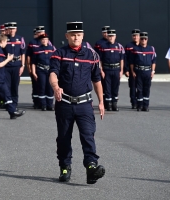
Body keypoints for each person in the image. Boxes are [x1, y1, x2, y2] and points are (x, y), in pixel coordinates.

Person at [49, 21, 105, 184]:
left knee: (88, 135)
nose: (76, 37)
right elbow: (53, 73)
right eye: (72, 35)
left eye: (79, 35)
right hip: (64, 103)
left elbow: (97, 80)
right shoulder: (59, 53)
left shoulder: (92, 55)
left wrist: (101, 101)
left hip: (85, 105)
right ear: (67, 36)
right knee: (64, 138)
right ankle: (65, 167)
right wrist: (55, 86)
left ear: (83, 36)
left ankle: (91, 167)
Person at [98, 29, 124, 111]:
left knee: (115, 87)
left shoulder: (119, 46)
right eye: (109, 36)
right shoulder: (103, 46)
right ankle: (108, 104)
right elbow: (100, 60)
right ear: (107, 37)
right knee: (107, 87)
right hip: (107, 69)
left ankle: (114, 104)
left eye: (112, 36)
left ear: (115, 37)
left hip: (116, 69)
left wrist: (121, 70)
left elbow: (122, 59)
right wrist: (101, 70)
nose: (111, 38)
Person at [130, 32, 156, 111]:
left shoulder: (151, 49)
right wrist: (132, 72)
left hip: (148, 71)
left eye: (145, 39)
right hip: (138, 71)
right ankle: (140, 105)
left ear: (147, 40)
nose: (143, 40)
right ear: (140, 39)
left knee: (147, 88)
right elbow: (131, 62)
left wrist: (153, 71)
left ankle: (146, 105)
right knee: (139, 89)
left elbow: (154, 61)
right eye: (142, 39)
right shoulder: (135, 49)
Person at [4, 22, 26, 110]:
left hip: (17, 65)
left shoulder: (20, 39)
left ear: (16, 29)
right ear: (7, 30)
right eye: (10, 29)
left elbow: (23, 53)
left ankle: (14, 103)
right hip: (7, 66)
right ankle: (8, 103)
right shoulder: (4, 39)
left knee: (15, 85)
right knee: (7, 86)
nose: (12, 30)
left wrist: (23, 65)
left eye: (13, 29)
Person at [31, 33, 55, 111]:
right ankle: (43, 105)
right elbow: (33, 62)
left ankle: (50, 105)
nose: (44, 41)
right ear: (40, 41)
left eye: (46, 39)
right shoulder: (37, 50)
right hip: (41, 70)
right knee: (42, 87)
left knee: (50, 87)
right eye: (43, 40)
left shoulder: (52, 48)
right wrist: (34, 72)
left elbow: (56, 60)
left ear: (48, 40)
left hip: (50, 70)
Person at [94, 26, 110, 109]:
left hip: (110, 68)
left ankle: (109, 103)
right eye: (104, 32)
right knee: (102, 85)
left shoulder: (113, 43)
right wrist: (100, 69)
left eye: (107, 32)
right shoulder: (99, 43)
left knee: (109, 86)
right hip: (101, 67)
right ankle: (102, 102)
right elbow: (97, 57)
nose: (106, 34)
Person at [124, 29, 140, 109]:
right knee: (133, 87)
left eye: (137, 35)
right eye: (134, 36)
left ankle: (140, 101)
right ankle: (134, 102)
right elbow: (125, 59)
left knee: (140, 87)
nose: (135, 37)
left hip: (141, 70)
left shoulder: (142, 45)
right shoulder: (128, 46)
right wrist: (126, 70)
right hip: (131, 70)